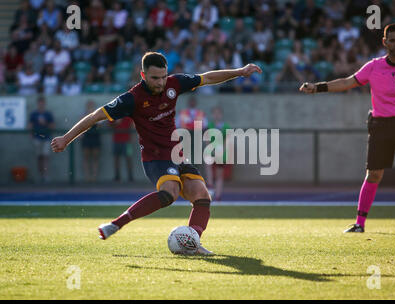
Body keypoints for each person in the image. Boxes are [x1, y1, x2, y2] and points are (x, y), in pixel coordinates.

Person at [51, 51, 262, 255]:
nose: (161, 82)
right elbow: (95, 116)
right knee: (170, 192)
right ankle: (116, 225)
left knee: (201, 194)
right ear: (142, 75)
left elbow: (207, 77)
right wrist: (66, 138)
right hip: (154, 157)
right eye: (155, 78)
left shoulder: (174, 83)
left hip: (176, 153)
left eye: (163, 76)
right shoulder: (131, 99)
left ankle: (192, 241)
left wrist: (240, 71)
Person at [299, 23, 395, 234]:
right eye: (391, 40)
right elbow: (347, 82)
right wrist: (318, 88)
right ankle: (359, 224)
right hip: (380, 126)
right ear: (384, 42)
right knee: (373, 174)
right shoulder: (374, 66)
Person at [204, 106, 232, 201]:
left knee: (219, 175)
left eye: (218, 113)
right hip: (211, 150)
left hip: (221, 152)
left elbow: (227, 140)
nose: (216, 115)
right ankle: (210, 185)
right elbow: (207, 139)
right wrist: (210, 149)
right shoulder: (210, 125)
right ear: (212, 115)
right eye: (215, 113)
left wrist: (221, 150)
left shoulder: (226, 126)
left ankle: (218, 195)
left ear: (221, 115)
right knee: (208, 165)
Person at [29, 96, 55, 183]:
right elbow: (30, 125)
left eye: (42, 103)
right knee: (38, 157)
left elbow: (53, 126)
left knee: (45, 157)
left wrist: (45, 123)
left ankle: (45, 175)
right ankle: (39, 175)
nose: (41, 104)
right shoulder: (33, 114)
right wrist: (31, 134)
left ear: (44, 104)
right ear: (38, 104)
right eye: (39, 103)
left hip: (46, 138)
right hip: (36, 138)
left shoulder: (48, 114)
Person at [81, 100, 101, 183]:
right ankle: (87, 176)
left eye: (92, 106)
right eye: (89, 105)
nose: (90, 107)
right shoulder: (83, 116)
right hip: (86, 138)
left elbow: (99, 126)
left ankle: (94, 176)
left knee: (95, 158)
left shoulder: (98, 115)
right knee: (86, 158)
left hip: (95, 137)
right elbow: (81, 127)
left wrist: (93, 118)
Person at [111, 117, 134, 182]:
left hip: (127, 141)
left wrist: (132, 138)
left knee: (129, 157)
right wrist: (116, 123)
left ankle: (130, 176)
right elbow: (110, 125)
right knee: (116, 158)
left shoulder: (128, 115)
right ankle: (117, 176)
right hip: (116, 140)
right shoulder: (114, 114)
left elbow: (133, 125)